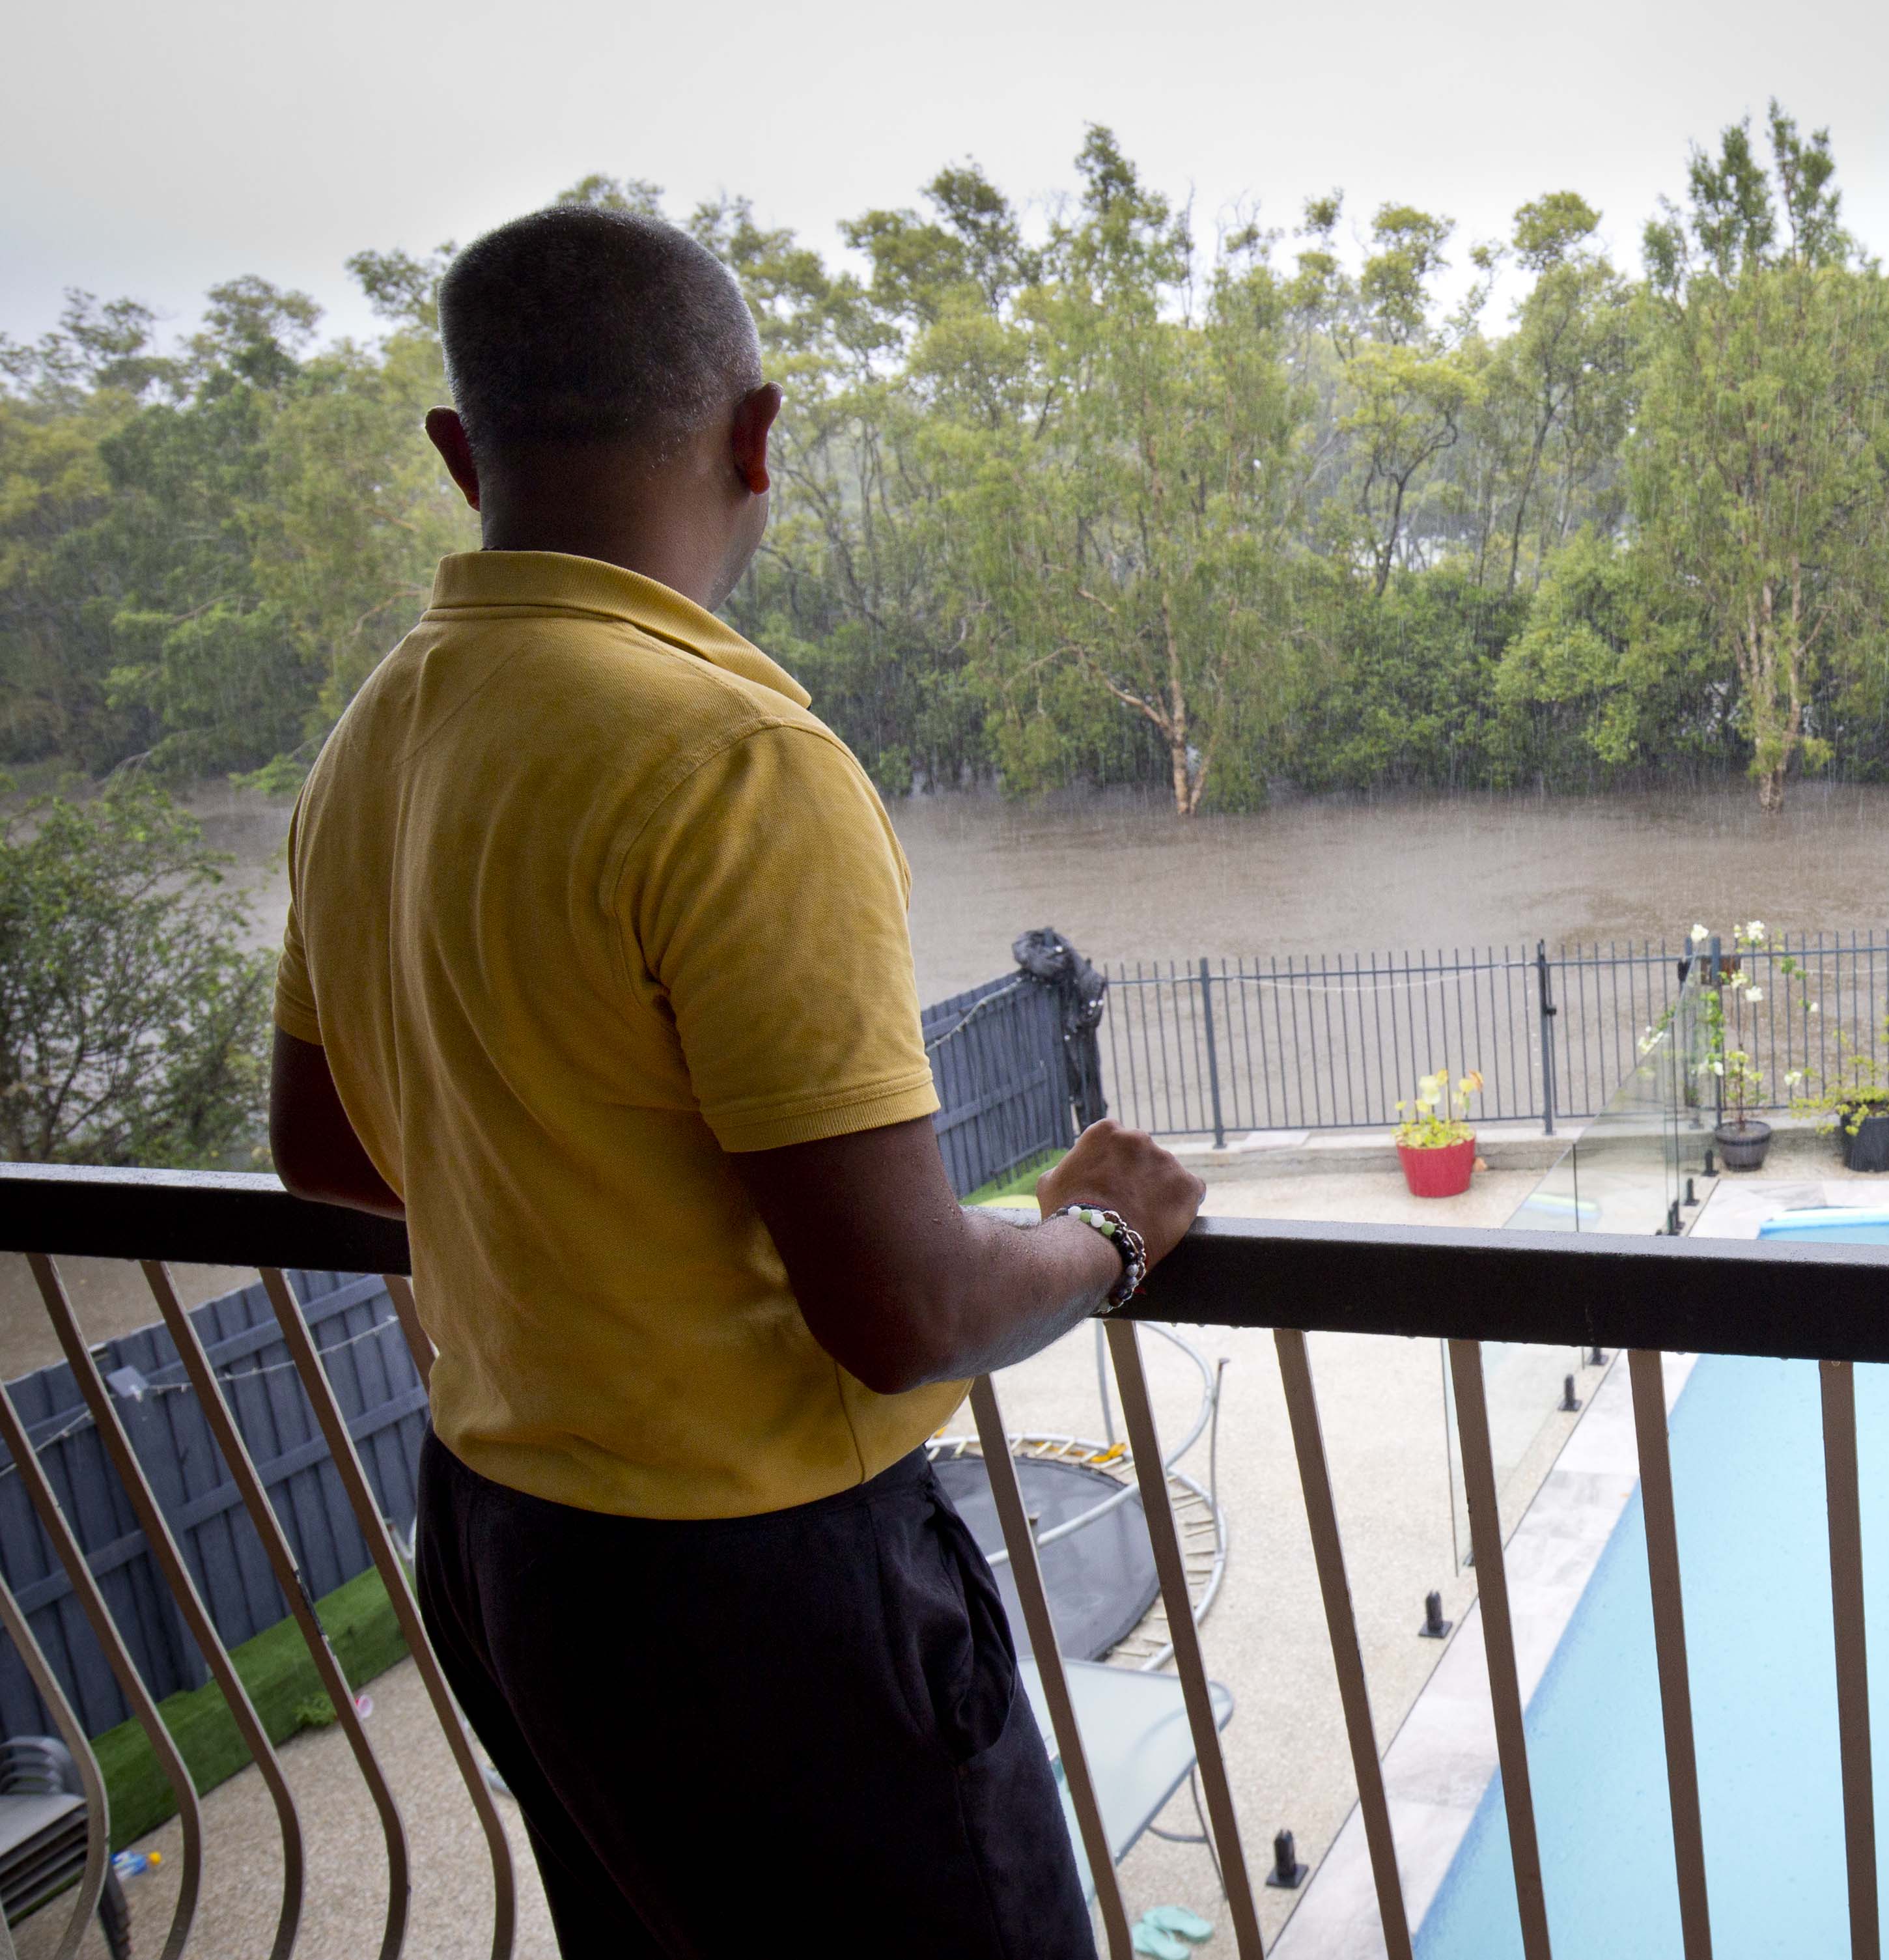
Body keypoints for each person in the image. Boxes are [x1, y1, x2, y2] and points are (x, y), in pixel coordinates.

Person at [266, 203, 1203, 1957]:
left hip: (505, 1547)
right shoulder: (731, 752)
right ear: (758, 438)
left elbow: (324, 1145)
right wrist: (1109, 1237)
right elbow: (905, 1301)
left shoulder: (377, 736)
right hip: (761, 1597)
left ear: (462, 454)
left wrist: (588, 1207)